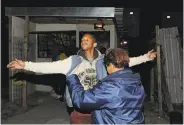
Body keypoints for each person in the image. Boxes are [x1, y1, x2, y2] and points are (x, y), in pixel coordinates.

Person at [7, 33, 156, 124]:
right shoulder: (73, 61)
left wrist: (146, 57)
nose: (83, 41)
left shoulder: (106, 60)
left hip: (101, 105)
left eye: (87, 39)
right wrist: (25, 65)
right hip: (80, 107)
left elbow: (126, 62)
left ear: (95, 44)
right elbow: (49, 66)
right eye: (82, 39)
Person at [66, 48, 145, 124]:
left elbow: (81, 100)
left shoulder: (110, 86)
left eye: (106, 66)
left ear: (110, 64)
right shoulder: (136, 81)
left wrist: (72, 77)